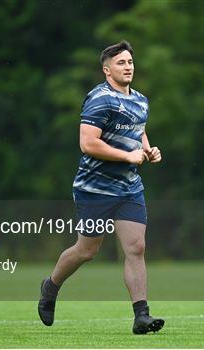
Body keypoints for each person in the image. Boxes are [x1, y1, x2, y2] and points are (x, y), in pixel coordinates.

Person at [38, 40, 165, 334]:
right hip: (95, 188)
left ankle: (141, 316)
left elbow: (138, 129)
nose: (128, 66)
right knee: (87, 250)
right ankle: (51, 286)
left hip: (129, 188)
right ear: (107, 70)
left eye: (130, 62)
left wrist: (148, 149)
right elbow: (88, 143)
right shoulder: (99, 98)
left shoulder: (141, 100)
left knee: (136, 247)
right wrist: (127, 155)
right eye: (121, 63)